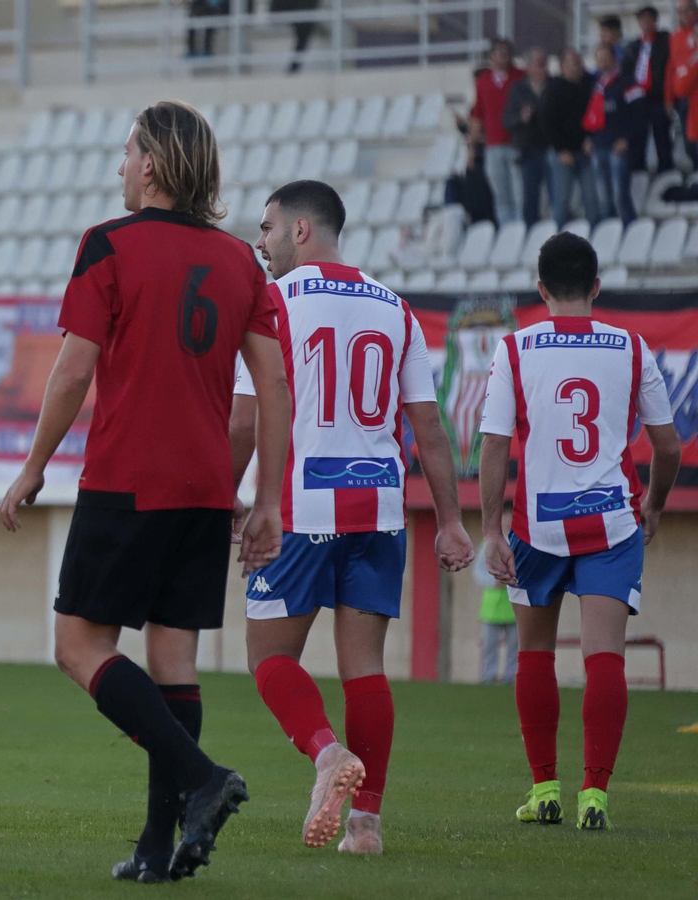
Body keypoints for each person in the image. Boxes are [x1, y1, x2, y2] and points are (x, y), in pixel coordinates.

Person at [0, 101, 294, 883]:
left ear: (153, 166)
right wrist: (266, 499)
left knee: (76, 644)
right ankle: (160, 849)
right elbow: (273, 389)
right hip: (204, 490)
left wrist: (31, 469)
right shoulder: (242, 263)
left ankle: (202, 779)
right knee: (174, 661)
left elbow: (71, 369)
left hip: (128, 479)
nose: (120, 167)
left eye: (127, 153)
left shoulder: (108, 244)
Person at [231, 181, 474, 856]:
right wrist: (452, 521)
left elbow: (247, 417)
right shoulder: (394, 308)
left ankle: (326, 753)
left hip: (299, 507)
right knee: (364, 667)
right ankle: (366, 826)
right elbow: (428, 423)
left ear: (302, 231)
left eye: (269, 228)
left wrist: (224, 495)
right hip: (379, 509)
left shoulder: (273, 302)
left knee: (269, 656)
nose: (261, 241)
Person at [478, 232, 681, 831]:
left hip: (536, 524)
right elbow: (667, 446)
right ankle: (596, 796)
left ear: (540, 289)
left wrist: (491, 529)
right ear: (596, 287)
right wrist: (655, 505)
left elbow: (493, 446)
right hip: (613, 522)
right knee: (604, 661)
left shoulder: (514, 349)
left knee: (534, 656)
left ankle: (545, 789)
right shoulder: (633, 348)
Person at [542, 50, 604, 228]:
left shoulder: (590, 86)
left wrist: (591, 138)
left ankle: (595, 238)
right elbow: (548, 123)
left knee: (592, 198)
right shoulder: (554, 90)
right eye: (573, 63)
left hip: (586, 152)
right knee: (561, 201)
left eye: (579, 62)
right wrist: (561, 149)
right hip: (563, 155)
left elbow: (596, 116)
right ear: (563, 67)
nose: (579, 66)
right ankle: (558, 240)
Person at [471, 39, 527, 225]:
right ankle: (507, 230)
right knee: (501, 195)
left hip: (515, 143)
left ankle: (521, 228)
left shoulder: (520, 76)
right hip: (493, 145)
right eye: (499, 53)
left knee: (519, 192)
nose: (503, 57)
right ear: (491, 56)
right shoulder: (483, 81)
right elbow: (478, 113)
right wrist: (472, 146)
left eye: (506, 53)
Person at [588, 43, 641, 225]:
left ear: (614, 58)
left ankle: (630, 231)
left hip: (618, 146)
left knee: (620, 196)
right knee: (604, 199)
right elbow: (587, 115)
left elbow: (639, 114)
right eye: (599, 59)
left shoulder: (627, 81)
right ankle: (609, 238)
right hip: (598, 145)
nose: (602, 62)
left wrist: (626, 138)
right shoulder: (593, 84)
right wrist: (588, 139)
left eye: (606, 58)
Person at [504, 48, 552, 227]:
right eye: (537, 65)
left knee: (556, 195)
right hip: (529, 149)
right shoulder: (519, 89)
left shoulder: (553, 85)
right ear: (529, 67)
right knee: (530, 196)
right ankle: (531, 230)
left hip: (551, 147)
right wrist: (521, 117)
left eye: (543, 64)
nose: (541, 69)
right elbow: (507, 119)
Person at [623, 6, 674, 173]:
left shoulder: (665, 41)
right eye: (641, 19)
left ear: (655, 21)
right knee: (638, 140)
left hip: (658, 98)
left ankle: (666, 172)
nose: (644, 23)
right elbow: (627, 73)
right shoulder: (633, 46)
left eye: (648, 19)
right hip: (639, 101)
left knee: (662, 138)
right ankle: (639, 174)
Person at [474, 549, 518, 684]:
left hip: (514, 606)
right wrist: (494, 582)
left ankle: (511, 678)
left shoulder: (519, 543)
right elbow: (478, 572)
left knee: (514, 646)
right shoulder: (488, 546)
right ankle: (488, 677)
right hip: (492, 608)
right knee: (489, 646)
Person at [667, 0, 698, 167]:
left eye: (688, 10)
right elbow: (672, 68)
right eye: (680, 11)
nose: (685, 15)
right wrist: (668, 98)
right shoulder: (676, 36)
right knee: (690, 146)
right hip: (684, 98)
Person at [273, 0, 322, 73]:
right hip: (302, 11)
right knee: (302, 40)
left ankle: (294, 68)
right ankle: (294, 68)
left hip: (305, 12)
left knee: (302, 39)